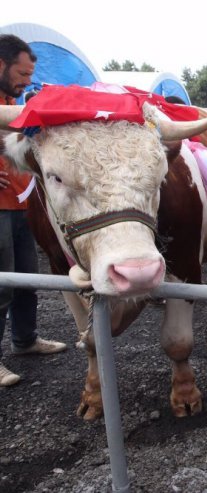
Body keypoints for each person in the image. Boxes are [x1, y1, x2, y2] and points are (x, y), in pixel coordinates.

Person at [0, 34, 66, 387]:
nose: (28, 81)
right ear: (1, 64)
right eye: (23, 74)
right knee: (1, 283)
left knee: (27, 278)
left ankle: (24, 340)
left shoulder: (14, 101)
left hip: (21, 201)